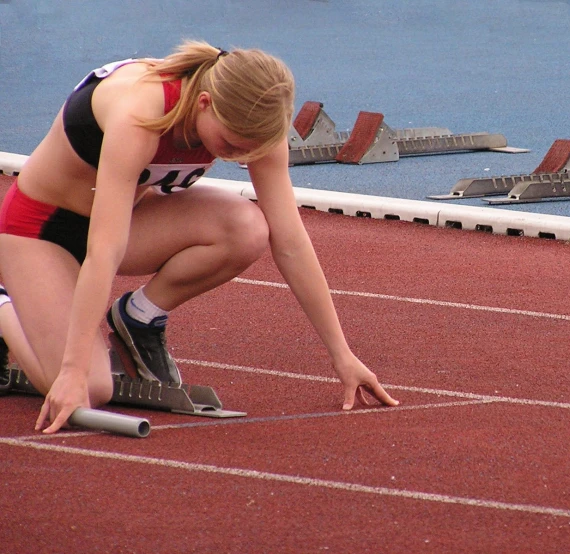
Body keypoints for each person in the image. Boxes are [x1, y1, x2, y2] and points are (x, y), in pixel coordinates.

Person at [0, 40, 399, 434]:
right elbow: (104, 249)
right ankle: (5, 304)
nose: (240, 155)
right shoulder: (140, 111)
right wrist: (70, 371)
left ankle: (138, 317)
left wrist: (341, 355)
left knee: (246, 227)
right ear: (205, 103)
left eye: (249, 149)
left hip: (124, 220)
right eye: (230, 145)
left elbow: (290, 240)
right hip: (39, 230)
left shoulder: (259, 123)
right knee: (89, 387)